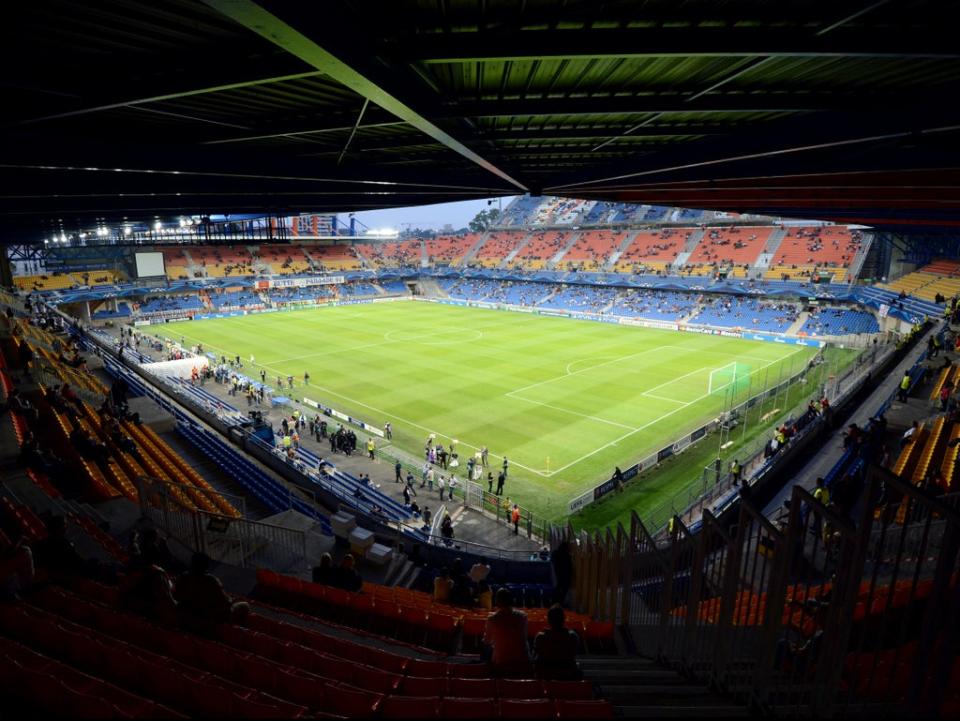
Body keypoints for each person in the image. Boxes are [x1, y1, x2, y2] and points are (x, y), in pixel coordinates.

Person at [174, 552, 248, 635]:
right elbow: (225, 603)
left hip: (186, 619)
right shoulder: (211, 581)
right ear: (206, 566)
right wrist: (230, 600)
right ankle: (237, 633)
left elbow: (176, 596)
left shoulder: (183, 577)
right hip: (207, 621)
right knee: (244, 605)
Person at [482, 589, 530, 675]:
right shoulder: (522, 617)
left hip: (501, 662)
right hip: (522, 661)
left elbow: (487, 641)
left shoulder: (492, 619)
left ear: (497, 601)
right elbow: (523, 638)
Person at [532, 605, 581, 680]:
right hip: (567, 677)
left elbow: (536, 656)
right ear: (564, 619)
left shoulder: (540, 637)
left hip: (545, 677)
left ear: (548, 620)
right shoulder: (573, 637)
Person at [551, 541, 574, 606]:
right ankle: (559, 604)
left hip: (557, 574)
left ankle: (555, 603)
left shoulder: (555, 553)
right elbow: (569, 567)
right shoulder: (567, 556)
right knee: (562, 592)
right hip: (565, 576)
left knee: (557, 590)